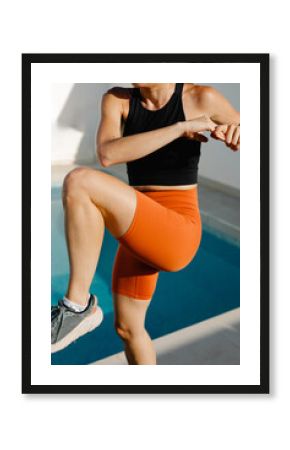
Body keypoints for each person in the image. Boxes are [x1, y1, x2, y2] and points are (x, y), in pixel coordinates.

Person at [51, 83, 240, 364]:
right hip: (141, 218)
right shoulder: (118, 100)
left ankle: (77, 307)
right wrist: (179, 128)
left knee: (80, 181)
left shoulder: (201, 97)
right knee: (127, 328)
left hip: (178, 228)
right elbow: (108, 153)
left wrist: (240, 132)